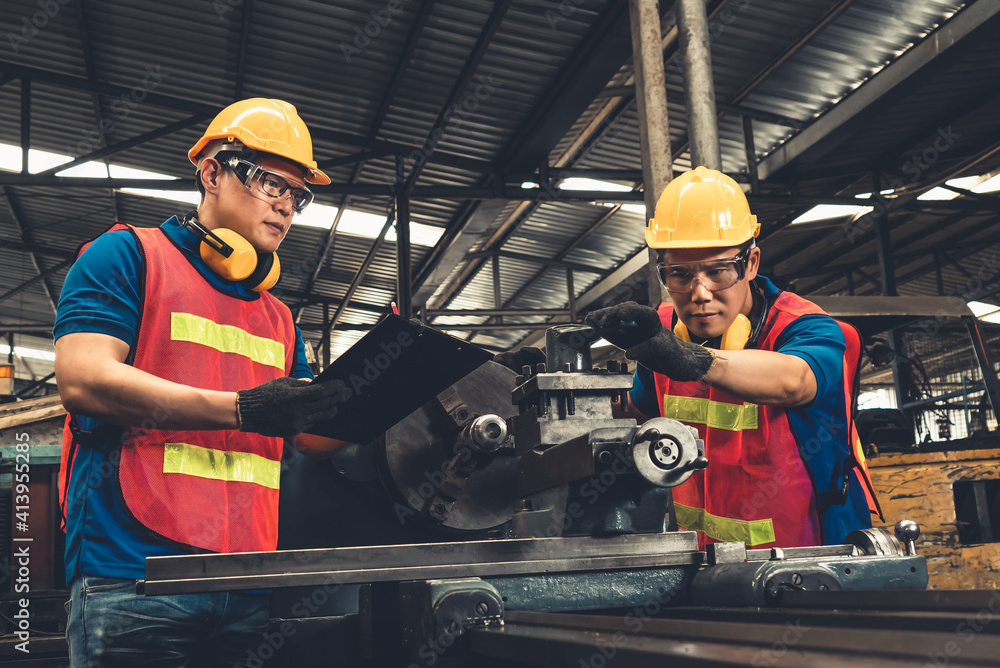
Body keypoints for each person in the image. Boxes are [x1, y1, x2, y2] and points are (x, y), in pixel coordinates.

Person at [54, 98, 350, 666]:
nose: (285, 205)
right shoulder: (129, 255)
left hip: (249, 581)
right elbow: (84, 380)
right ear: (212, 172)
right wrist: (242, 409)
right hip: (136, 575)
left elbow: (313, 438)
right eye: (270, 182)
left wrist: (398, 401)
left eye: (297, 194)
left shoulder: (278, 316)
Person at [585, 166, 882, 550]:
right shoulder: (663, 330)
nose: (700, 292)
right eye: (679, 274)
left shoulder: (807, 329)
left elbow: (794, 382)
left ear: (752, 263)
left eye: (718, 271)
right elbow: (634, 413)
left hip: (813, 561)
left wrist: (692, 360)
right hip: (706, 567)